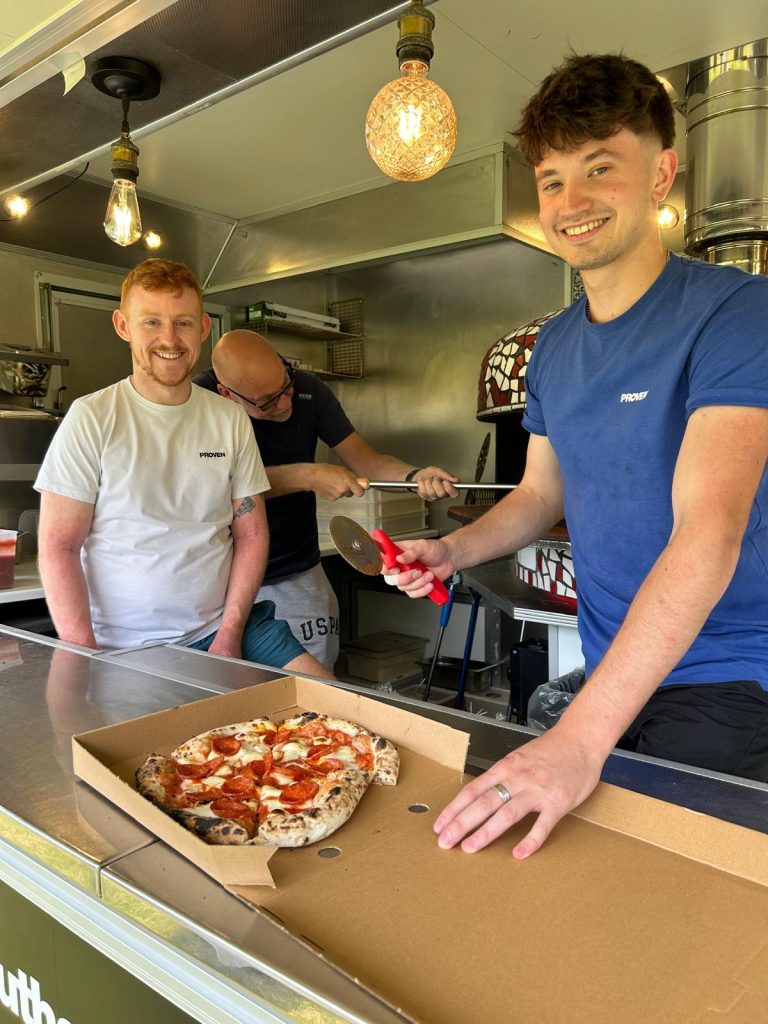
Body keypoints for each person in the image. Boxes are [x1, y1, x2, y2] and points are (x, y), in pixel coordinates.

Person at [387, 53, 768, 859]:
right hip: (613, 672)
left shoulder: (738, 314)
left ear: (662, 173)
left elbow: (710, 533)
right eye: (553, 180)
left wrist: (579, 738)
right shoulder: (553, 348)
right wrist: (449, 551)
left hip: (731, 679)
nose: (572, 202)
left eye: (601, 168)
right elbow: (539, 496)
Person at [35, 258, 329, 680]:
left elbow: (251, 533)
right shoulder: (92, 418)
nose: (169, 339)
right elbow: (59, 546)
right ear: (123, 326)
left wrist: (229, 632)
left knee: (340, 710)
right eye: (151, 322)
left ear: (204, 328)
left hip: (226, 628)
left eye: (184, 323)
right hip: (121, 646)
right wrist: (84, 656)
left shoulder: (228, 418)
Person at [194, 329, 459, 669]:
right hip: (220, 584)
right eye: (268, 402)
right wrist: (307, 475)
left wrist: (413, 477)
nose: (286, 404)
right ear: (226, 394)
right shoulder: (199, 400)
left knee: (315, 699)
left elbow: (367, 461)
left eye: (285, 386)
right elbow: (213, 487)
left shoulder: (309, 389)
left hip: (297, 573)